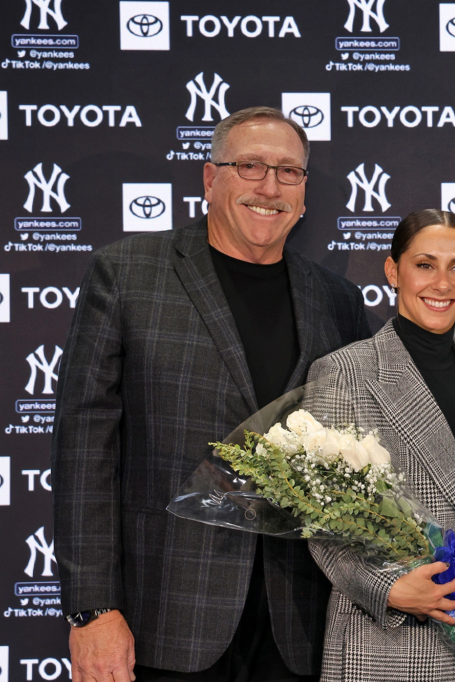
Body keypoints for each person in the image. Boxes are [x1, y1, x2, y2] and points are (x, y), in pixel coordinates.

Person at [51, 106, 370, 682]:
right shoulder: (126, 275)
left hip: (298, 625)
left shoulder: (337, 300)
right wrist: (93, 609)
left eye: (288, 172)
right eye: (249, 166)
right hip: (165, 618)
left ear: (303, 191)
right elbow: (84, 453)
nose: (269, 187)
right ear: (209, 178)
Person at [304, 209, 455, 681]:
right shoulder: (345, 372)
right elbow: (322, 516)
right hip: (389, 639)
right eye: (425, 264)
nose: (443, 283)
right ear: (393, 271)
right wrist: (390, 588)